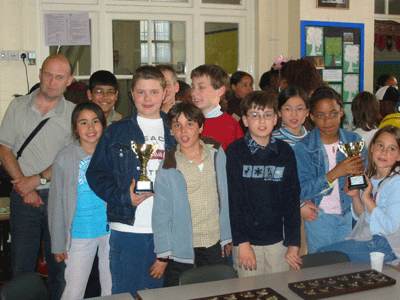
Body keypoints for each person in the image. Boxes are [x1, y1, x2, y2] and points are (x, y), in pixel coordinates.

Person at [86, 66, 177, 297]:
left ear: (165, 93)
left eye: (154, 92)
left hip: (167, 230)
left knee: (158, 295)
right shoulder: (115, 132)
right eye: (141, 92)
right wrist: (124, 197)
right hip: (127, 227)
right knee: (125, 294)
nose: (147, 99)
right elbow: (95, 174)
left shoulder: (177, 129)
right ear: (132, 93)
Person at [0, 54, 75, 299]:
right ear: (40, 73)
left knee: (60, 268)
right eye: (48, 74)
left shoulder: (75, 114)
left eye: (59, 77)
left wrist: (37, 180)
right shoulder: (18, 106)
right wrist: (26, 187)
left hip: (60, 199)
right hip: (23, 199)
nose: (52, 82)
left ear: (70, 81)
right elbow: (5, 150)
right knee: (22, 267)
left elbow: (71, 159)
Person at [152, 102, 232, 287]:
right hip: (182, 248)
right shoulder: (168, 167)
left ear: (201, 127)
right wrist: (163, 255)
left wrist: (226, 235)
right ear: (170, 130)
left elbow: (226, 197)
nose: (183, 131)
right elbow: (161, 214)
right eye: (177, 125)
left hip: (214, 242)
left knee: (215, 293)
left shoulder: (217, 154)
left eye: (190, 124)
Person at [226, 91, 302, 277]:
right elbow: (234, 202)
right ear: (244, 120)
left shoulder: (285, 152)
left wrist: (294, 243)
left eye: (267, 115)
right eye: (255, 116)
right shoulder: (235, 152)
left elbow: (292, 199)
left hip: (279, 242)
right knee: (249, 292)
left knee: (279, 290)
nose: (262, 121)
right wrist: (242, 243)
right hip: (247, 242)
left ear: (276, 119)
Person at [48, 102, 111, 300]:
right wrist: (58, 244)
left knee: (111, 288)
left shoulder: (111, 153)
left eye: (95, 121)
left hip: (110, 232)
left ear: (103, 123)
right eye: (83, 123)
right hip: (80, 234)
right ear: (75, 128)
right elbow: (56, 204)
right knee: (74, 290)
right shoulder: (65, 158)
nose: (91, 128)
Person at [293, 87, 367, 254]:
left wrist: (354, 184)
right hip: (319, 216)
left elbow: (362, 178)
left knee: (345, 268)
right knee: (321, 270)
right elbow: (302, 189)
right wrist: (335, 172)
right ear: (311, 116)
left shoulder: (354, 141)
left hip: (349, 214)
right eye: (320, 115)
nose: (328, 121)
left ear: (341, 111)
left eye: (333, 113)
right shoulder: (304, 147)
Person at [317, 126, 400, 265]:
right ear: (372, 148)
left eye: (392, 149)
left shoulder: (396, 183)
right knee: (323, 256)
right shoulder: (370, 177)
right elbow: (364, 216)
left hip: (388, 245)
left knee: (324, 257)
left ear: (399, 156)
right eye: (380, 145)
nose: (384, 152)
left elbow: (390, 228)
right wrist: (355, 196)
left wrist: (367, 198)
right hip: (369, 238)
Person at [191, 64, 244, 150]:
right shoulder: (187, 121)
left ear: (220, 91)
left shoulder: (231, 126)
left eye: (201, 87)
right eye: (193, 86)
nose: (193, 92)